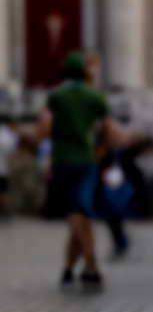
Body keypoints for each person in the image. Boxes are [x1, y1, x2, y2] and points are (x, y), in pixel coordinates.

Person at [35, 52, 115, 289]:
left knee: (77, 214)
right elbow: (109, 130)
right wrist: (102, 149)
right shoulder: (95, 97)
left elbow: (45, 126)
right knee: (81, 214)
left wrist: (45, 141)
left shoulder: (56, 96)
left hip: (63, 161)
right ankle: (80, 267)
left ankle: (82, 267)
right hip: (87, 160)